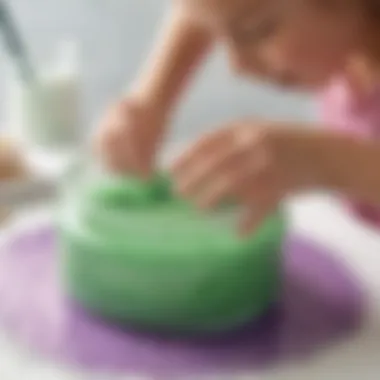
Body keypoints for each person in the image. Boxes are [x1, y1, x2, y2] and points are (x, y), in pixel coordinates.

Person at [95, 0, 380, 235]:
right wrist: (151, 98)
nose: (237, 68)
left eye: (258, 32)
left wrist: (330, 162)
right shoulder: (344, 29)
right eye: (218, 33)